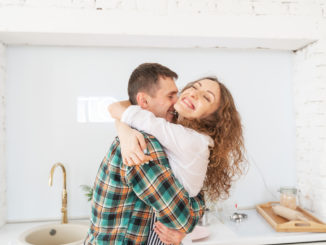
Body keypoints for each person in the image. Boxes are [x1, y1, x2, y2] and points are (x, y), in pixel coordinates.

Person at [109, 76, 246, 244]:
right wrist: (125, 133)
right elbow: (127, 113)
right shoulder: (183, 133)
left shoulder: (190, 140)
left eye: (206, 97)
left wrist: (124, 132)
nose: (195, 94)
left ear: (212, 118)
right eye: (195, 87)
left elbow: (118, 109)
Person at [84, 63, 205, 245]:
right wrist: (183, 226)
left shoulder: (165, 139)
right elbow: (180, 219)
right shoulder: (141, 144)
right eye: (170, 96)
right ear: (144, 102)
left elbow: (195, 194)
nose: (177, 101)